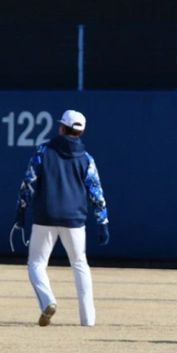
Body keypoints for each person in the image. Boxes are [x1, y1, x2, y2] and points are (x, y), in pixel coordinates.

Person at [14, 110, 109, 327]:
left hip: (44, 217)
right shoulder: (86, 159)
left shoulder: (43, 151)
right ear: (81, 131)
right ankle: (88, 320)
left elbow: (28, 182)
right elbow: (96, 191)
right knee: (80, 264)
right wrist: (102, 221)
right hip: (75, 219)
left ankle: (48, 300)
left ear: (61, 128)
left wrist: (21, 211)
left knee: (36, 264)